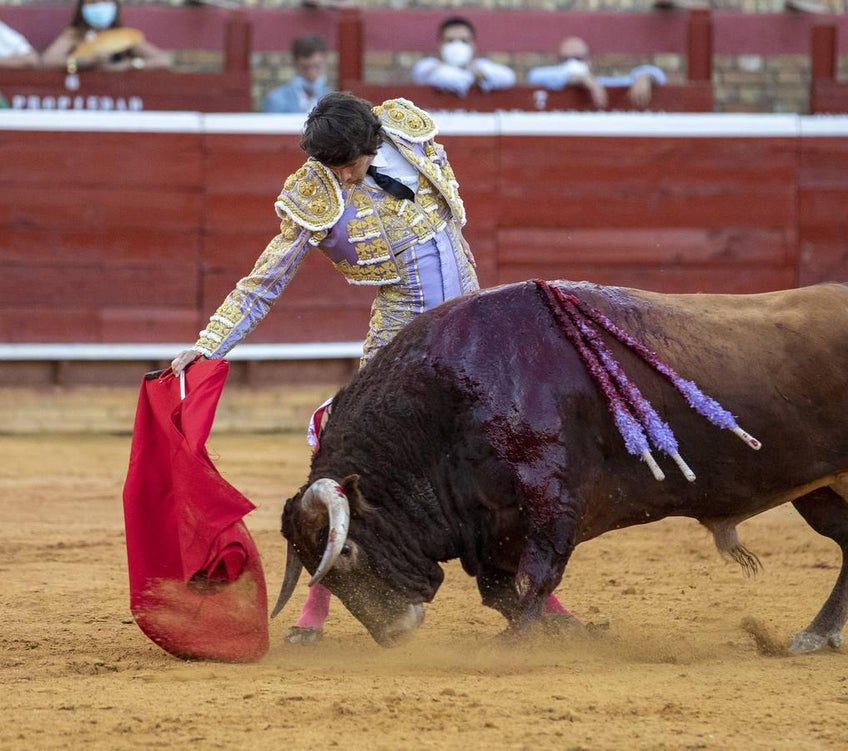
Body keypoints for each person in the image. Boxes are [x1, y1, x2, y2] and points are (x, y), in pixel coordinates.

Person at [169, 92, 574, 644]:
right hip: (401, 345)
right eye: (330, 167)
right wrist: (210, 344)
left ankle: (543, 603)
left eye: (349, 165)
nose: (342, 176)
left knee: (509, 458)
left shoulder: (407, 131)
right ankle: (314, 613)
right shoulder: (316, 192)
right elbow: (264, 283)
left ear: (373, 143)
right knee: (343, 455)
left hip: (475, 331)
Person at [526, 35, 667, 109]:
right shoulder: (551, 79)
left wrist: (644, 76)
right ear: (557, 62)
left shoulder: (601, 83)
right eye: (565, 59)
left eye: (578, 59)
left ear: (589, 61)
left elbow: (658, 74)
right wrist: (582, 79)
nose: (572, 64)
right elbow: (534, 76)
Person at [41, 0, 171, 72]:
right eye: (93, 2)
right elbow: (48, 60)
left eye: (105, 1)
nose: (100, 5)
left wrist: (131, 65)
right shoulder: (74, 35)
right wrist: (86, 61)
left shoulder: (123, 37)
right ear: (82, 7)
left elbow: (164, 60)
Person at [412, 16, 515, 98]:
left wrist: (481, 73)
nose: (457, 46)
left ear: (472, 45)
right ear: (440, 45)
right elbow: (449, 78)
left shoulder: (480, 65)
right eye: (450, 40)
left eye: (464, 41)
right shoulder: (427, 66)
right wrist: (474, 76)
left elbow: (508, 77)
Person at [263, 35, 332, 114]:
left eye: (317, 67)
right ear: (295, 65)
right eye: (305, 67)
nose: (311, 74)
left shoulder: (331, 100)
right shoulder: (276, 99)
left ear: (325, 63)